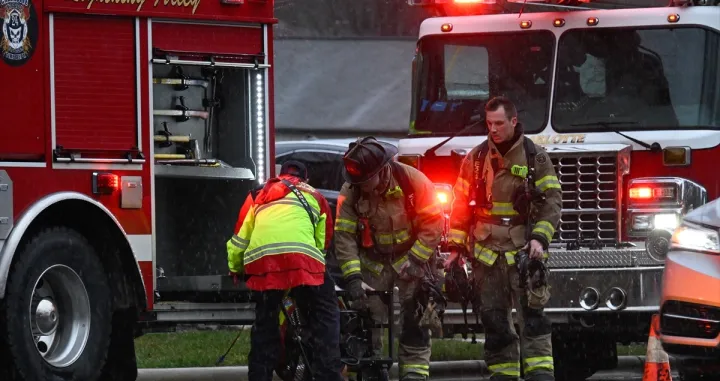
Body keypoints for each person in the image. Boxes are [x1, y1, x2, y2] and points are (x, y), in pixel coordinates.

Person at [449, 96, 562, 381]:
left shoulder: (535, 157)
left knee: (533, 319)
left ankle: (540, 374)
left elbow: (552, 202)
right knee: (494, 321)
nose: (493, 129)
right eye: (489, 123)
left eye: (499, 123)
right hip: (486, 255)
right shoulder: (475, 159)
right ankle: (503, 375)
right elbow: (460, 206)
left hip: (525, 253)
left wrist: (540, 239)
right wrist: (455, 249)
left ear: (514, 121)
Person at [334, 136, 445, 381]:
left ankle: (414, 373)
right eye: (358, 181)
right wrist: (353, 278)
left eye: (366, 180)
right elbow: (344, 236)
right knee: (365, 319)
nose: (361, 185)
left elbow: (434, 223)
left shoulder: (412, 180)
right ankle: (371, 369)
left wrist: (416, 261)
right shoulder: (351, 189)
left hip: (412, 257)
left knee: (415, 318)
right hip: (373, 263)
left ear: (382, 169)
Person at [226, 160, 343, 381]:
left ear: (280, 175)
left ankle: (260, 375)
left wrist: (236, 268)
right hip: (303, 262)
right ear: (305, 178)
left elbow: (240, 239)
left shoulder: (257, 194)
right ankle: (327, 373)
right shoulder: (315, 196)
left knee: (265, 325)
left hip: (264, 264)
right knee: (325, 316)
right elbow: (322, 242)